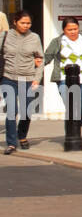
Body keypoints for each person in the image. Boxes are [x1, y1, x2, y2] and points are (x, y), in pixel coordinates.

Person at [43, 17, 82, 143]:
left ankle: (73, 130)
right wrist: (36, 64)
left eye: (75, 29)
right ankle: (72, 135)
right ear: (63, 30)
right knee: (72, 109)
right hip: (64, 80)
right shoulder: (58, 41)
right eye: (69, 29)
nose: (73, 32)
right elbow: (46, 57)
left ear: (79, 28)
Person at [1, 10, 43, 153]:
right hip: (9, 78)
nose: (26, 26)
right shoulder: (5, 36)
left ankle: (22, 135)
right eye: (22, 23)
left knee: (27, 111)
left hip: (28, 79)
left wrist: (37, 79)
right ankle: (11, 143)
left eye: (28, 23)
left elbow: (40, 59)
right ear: (15, 22)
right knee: (12, 110)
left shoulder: (34, 37)